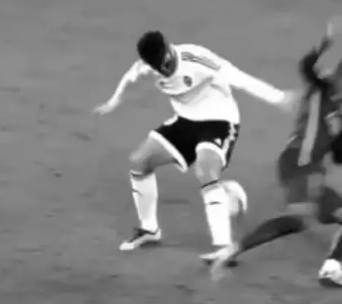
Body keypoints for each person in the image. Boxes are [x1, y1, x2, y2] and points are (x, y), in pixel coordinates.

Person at [93, 31, 295, 256]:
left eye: (166, 63)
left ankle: (223, 248)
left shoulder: (196, 58)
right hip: (185, 121)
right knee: (140, 161)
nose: (165, 70)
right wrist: (113, 102)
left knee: (205, 172)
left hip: (219, 121)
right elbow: (129, 79)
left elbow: (239, 78)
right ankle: (149, 229)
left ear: (169, 47)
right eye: (159, 68)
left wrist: (278, 97)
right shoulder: (146, 67)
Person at [209, 20, 342, 288]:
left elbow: (340, 154)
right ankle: (231, 250)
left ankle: (331, 269)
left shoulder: (340, 117)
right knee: (299, 219)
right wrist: (326, 40)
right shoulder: (321, 90)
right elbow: (306, 65)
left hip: (313, 172)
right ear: (340, 77)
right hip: (298, 162)